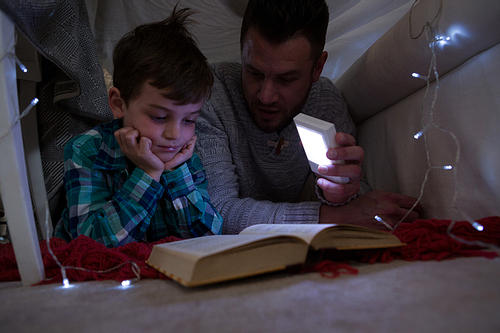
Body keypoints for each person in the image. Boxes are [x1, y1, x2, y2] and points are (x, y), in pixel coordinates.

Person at [194, 0, 421, 235]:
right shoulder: (212, 92)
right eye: (254, 73)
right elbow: (217, 212)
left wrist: (339, 195)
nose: (266, 96)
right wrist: (332, 216)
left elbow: (357, 205)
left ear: (318, 68)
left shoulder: (326, 103)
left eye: (286, 79)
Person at [54, 7, 223, 247]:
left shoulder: (184, 159)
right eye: (158, 117)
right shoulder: (87, 150)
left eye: (189, 120)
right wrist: (148, 175)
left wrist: (175, 174)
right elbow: (91, 244)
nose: (175, 135)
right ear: (118, 104)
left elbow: (209, 238)